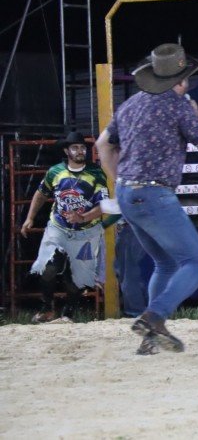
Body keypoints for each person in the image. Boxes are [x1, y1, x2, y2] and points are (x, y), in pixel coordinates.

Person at [95, 43, 198, 355]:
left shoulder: (130, 105)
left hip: (127, 192)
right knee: (197, 263)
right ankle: (154, 317)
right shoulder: (178, 106)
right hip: (154, 194)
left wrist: (120, 181)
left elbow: (102, 144)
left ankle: (150, 339)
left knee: (164, 263)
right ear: (182, 80)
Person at [21, 131, 108, 323]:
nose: (80, 151)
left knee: (77, 275)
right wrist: (30, 217)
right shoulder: (55, 171)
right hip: (58, 227)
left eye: (82, 148)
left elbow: (103, 204)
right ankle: (47, 309)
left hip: (86, 230)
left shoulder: (96, 173)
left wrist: (83, 217)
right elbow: (41, 194)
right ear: (66, 150)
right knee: (48, 267)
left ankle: (68, 313)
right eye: (75, 148)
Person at [113, 218, 148, 317]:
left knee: (128, 273)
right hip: (139, 228)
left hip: (131, 229)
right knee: (132, 272)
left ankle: (135, 311)